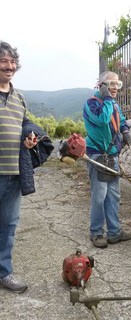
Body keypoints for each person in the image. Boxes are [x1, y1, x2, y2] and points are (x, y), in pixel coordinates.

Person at [0, 41, 54, 293]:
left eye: (12, 62)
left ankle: (4, 273)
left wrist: (30, 135)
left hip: (12, 173)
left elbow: (26, 123)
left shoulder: (19, 97)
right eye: (3, 61)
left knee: (8, 226)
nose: (9, 66)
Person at [83, 71, 131, 248]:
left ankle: (114, 232)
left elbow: (121, 119)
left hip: (112, 155)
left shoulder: (114, 104)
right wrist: (108, 100)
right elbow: (103, 120)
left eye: (117, 85)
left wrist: (125, 131)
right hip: (97, 154)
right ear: (101, 85)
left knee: (113, 194)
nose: (115, 88)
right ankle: (96, 233)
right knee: (99, 196)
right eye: (111, 84)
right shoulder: (92, 103)